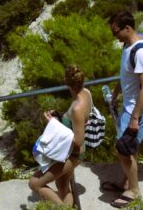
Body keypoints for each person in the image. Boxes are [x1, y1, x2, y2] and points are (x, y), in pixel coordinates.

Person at [105, 10, 143, 208]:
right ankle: (126, 182)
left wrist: (135, 117)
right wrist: (117, 93)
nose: (114, 36)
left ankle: (133, 190)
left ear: (127, 28)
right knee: (128, 149)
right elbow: (126, 75)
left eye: (115, 32)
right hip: (130, 106)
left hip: (138, 110)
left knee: (123, 150)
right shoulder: (128, 45)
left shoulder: (142, 52)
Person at [28, 65, 92, 205]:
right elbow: (78, 122)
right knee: (62, 186)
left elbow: (78, 140)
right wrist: (59, 118)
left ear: (66, 82)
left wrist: (54, 124)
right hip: (74, 154)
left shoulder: (76, 107)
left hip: (71, 154)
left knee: (35, 184)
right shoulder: (86, 93)